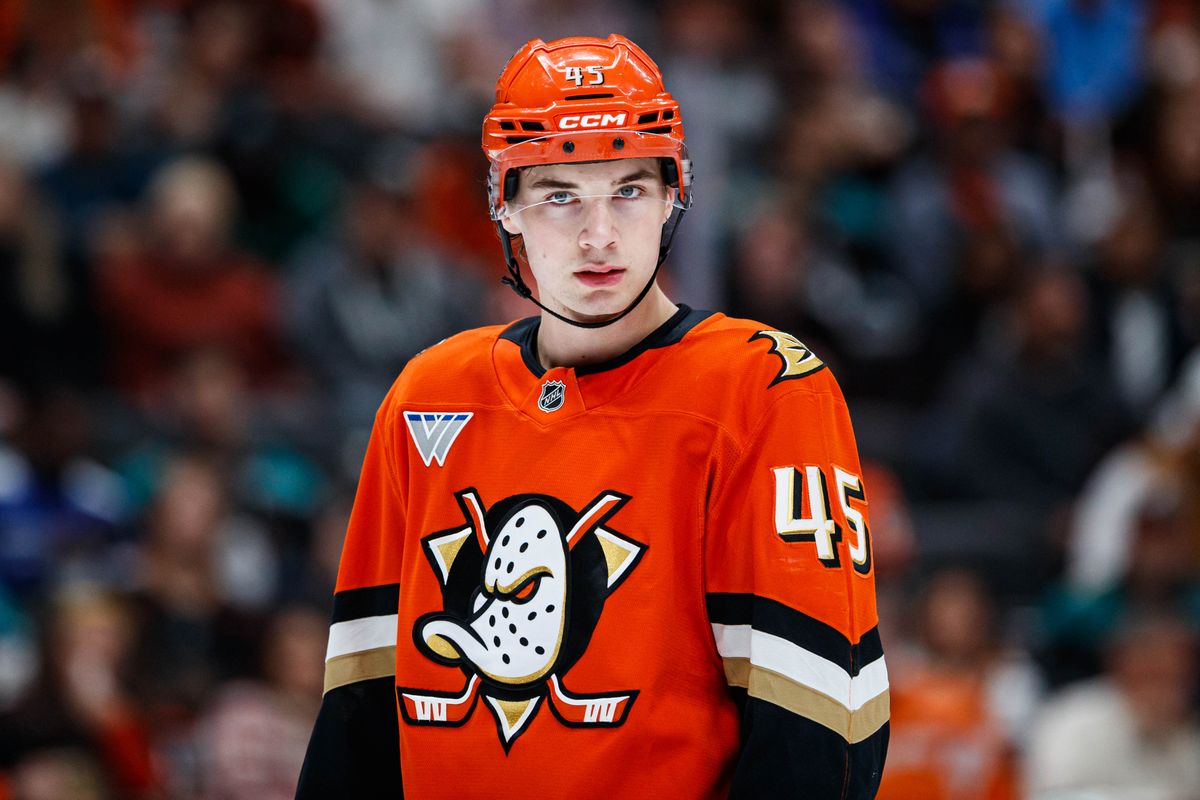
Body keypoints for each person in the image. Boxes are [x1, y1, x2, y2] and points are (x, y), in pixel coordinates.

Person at [296, 34, 888, 798]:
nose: (598, 235)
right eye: (559, 194)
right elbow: (358, 716)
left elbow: (822, 722)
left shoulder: (765, 387)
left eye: (629, 190)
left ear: (676, 193)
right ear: (502, 205)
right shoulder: (427, 395)